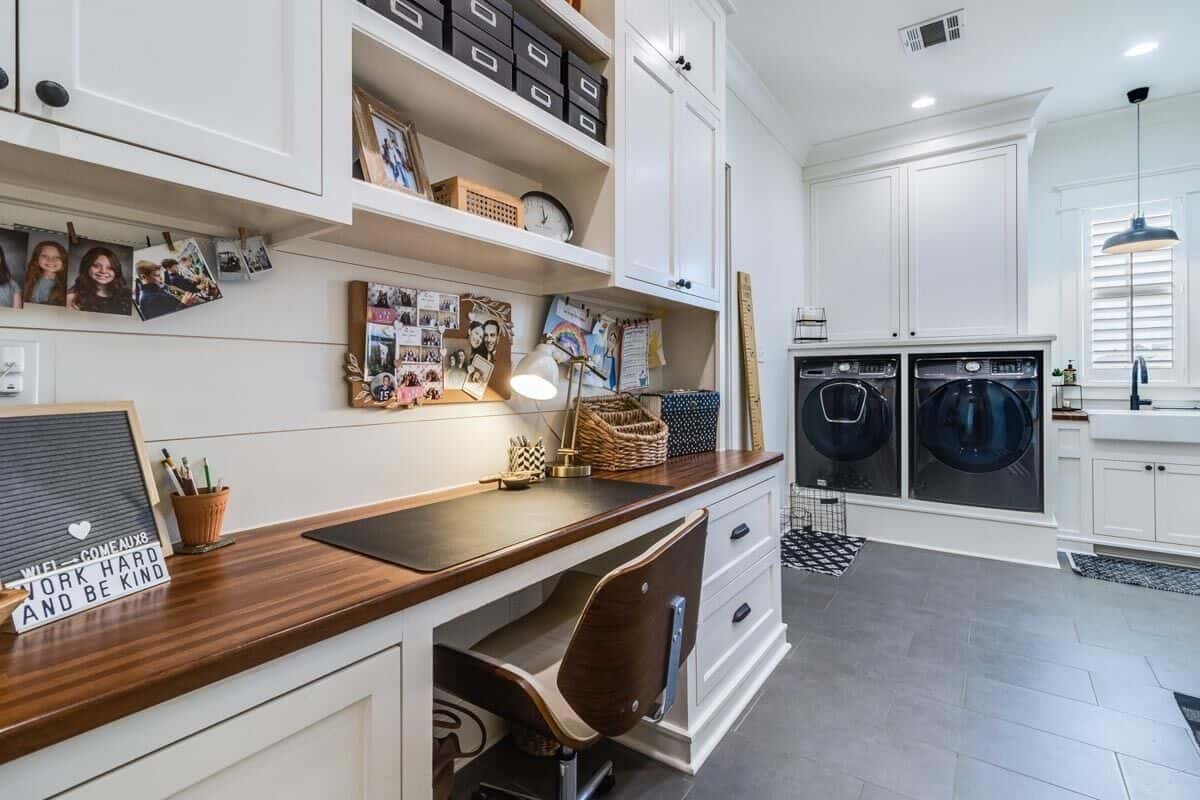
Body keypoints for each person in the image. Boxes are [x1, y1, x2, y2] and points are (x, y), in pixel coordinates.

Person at [68, 247, 132, 316]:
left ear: (116, 270)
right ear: (86, 267)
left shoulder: (127, 296)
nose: (103, 271)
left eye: (110, 268)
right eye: (96, 266)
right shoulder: (72, 297)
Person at [23, 240, 68, 307]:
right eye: (45, 256)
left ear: (63, 261)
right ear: (37, 259)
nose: (51, 260)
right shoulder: (29, 280)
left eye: (57, 257)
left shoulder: (66, 285)